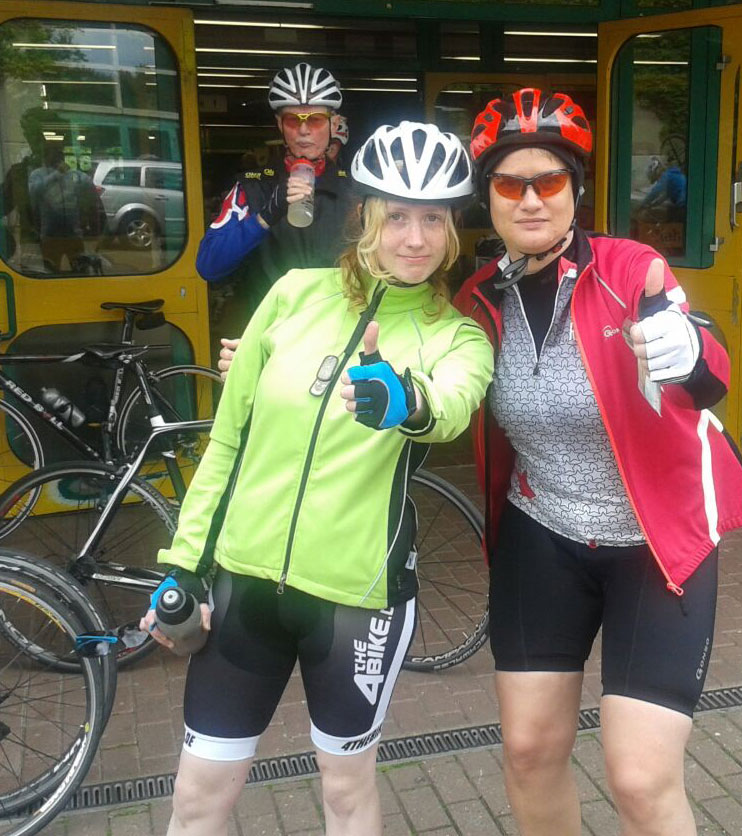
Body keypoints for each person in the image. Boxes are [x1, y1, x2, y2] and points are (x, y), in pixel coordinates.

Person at [141, 120, 493, 836]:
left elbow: (450, 406)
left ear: (453, 229)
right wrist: (184, 564)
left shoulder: (458, 336)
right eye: (397, 216)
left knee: (345, 791)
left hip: (357, 599)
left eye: (433, 219)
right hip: (243, 584)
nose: (416, 238)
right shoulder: (292, 294)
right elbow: (227, 443)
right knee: (197, 799)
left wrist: (402, 398)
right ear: (364, 215)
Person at [453, 88, 742, 836]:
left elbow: (704, 362)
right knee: (528, 752)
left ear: (575, 190)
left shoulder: (630, 269)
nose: (530, 200)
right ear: (488, 199)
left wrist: (690, 350)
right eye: (509, 184)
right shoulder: (477, 300)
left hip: (653, 542)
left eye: (548, 181)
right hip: (542, 535)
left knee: (641, 780)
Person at [196, 62, 356, 309]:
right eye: (293, 120)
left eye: (315, 120)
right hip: (272, 327)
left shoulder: (355, 189)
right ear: (279, 124)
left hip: (338, 327)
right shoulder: (252, 186)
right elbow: (208, 266)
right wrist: (264, 217)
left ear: (333, 124)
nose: (303, 130)